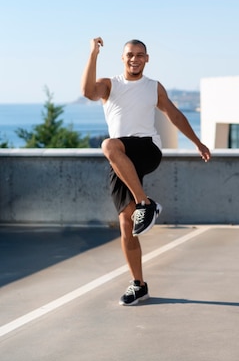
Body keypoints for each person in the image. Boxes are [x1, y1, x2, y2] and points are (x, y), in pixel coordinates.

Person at [81, 37, 211, 306]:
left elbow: (174, 115)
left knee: (108, 144)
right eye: (130, 54)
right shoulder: (110, 84)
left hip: (147, 149)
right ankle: (138, 284)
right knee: (126, 225)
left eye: (140, 55)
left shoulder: (153, 87)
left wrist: (197, 142)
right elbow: (87, 92)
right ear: (122, 58)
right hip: (120, 158)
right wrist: (93, 54)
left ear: (147, 59)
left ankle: (145, 203)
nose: (134, 59)